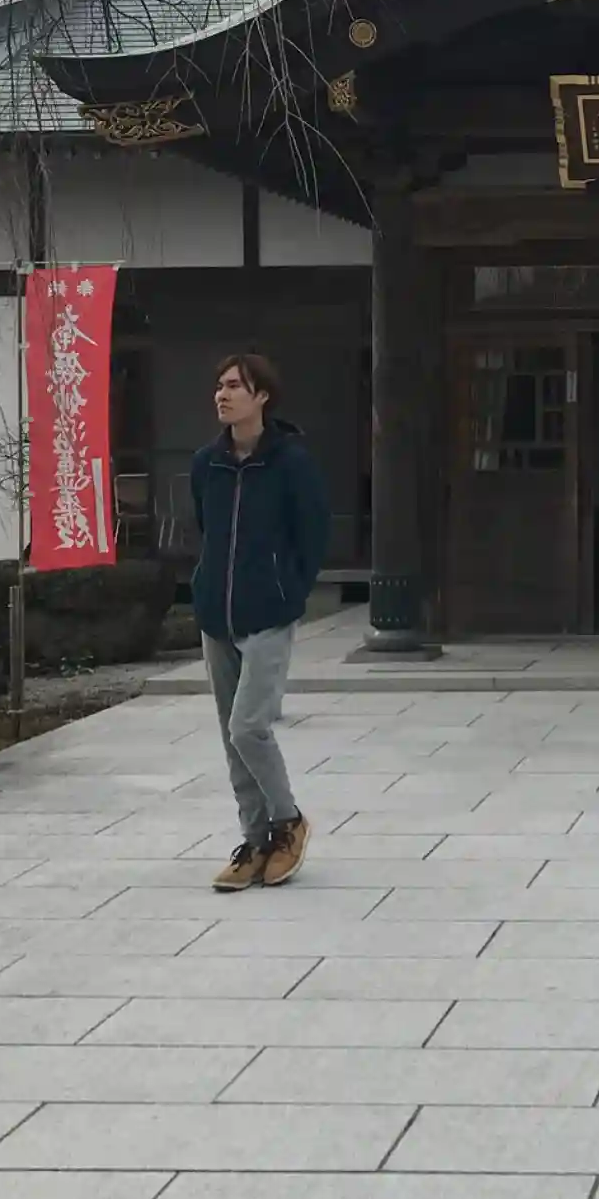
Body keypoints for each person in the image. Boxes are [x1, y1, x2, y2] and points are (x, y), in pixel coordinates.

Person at [192, 353, 330, 891]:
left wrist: (287, 591)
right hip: (216, 617)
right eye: (219, 385)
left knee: (248, 727)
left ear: (262, 396)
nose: (222, 394)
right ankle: (254, 842)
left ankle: (288, 821)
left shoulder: (291, 463)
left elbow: (312, 535)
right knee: (231, 739)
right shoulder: (206, 464)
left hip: (268, 614)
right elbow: (206, 530)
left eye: (234, 386)